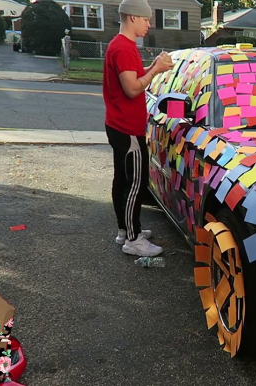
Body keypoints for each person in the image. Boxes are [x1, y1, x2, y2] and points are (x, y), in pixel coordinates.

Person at [103, 0, 173, 256]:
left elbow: (131, 77)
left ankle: (126, 229)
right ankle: (133, 240)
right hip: (127, 128)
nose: (149, 24)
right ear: (133, 17)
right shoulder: (123, 47)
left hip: (118, 124)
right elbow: (132, 88)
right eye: (146, 19)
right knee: (136, 183)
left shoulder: (120, 46)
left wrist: (151, 66)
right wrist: (155, 70)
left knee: (122, 179)